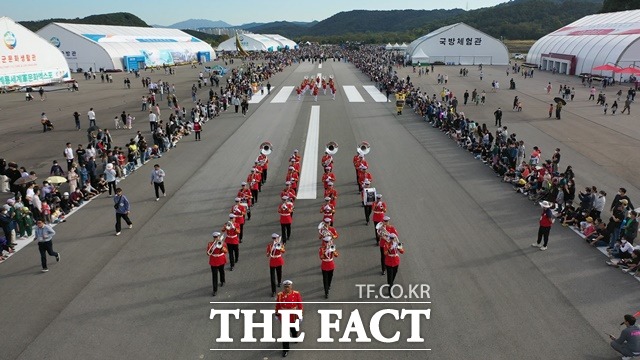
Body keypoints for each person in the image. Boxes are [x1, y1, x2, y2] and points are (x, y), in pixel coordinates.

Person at [275, 279, 303, 358]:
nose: (287, 288)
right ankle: (285, 349)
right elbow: (278, 305)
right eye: (285, 287)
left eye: (288, 286)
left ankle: (294, 336)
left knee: (293, 329)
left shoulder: (296, 294)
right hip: (284, 316)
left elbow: (300, 304)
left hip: (293, 315)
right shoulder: (280, 295)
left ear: (291, 287)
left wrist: (300, 314)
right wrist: (277, 314)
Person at [207, 232, 227, 297]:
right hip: (213, 261)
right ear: (214, 237)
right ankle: (215, 290)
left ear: (219, 237)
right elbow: (208, 253)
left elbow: (226, 251)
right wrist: (213, 248)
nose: (216, 238)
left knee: (221, 271)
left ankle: (222, 281)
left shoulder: (222, 243)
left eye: (217, 237)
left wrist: (220, 247)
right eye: (215, 237)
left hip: (221, 259)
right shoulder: (210, 244)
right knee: (214, 276)